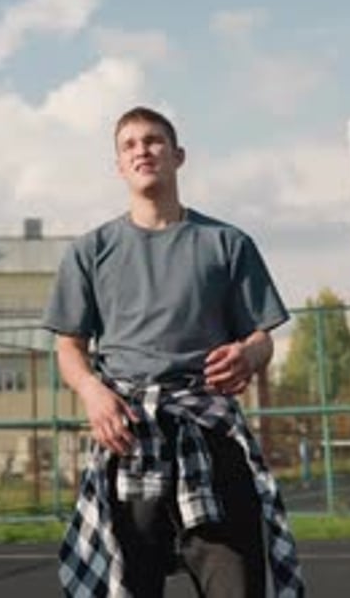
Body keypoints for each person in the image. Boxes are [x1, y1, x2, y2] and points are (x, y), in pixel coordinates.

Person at [42, 106, 304, 597]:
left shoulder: (227, 243)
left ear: (178, 155)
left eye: (154, 140)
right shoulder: (89, 250)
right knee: (129, 587)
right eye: (129, 145)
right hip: (128, 437)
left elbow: (261, 337)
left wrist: (248, 356)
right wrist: (93, 393)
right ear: (119, 166)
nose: (142, 150)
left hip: (209, 433)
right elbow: (69, 346)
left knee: (238, 585)